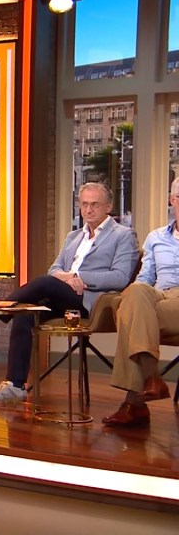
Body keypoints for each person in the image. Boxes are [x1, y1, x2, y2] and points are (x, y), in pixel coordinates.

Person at [0, 182, 139, 401]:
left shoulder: (123, 235)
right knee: (25, 314)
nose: (88, 210)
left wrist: (78, 277)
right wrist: (67, 278)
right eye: (84, 204)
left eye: (95, 205)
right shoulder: (73, 237)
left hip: (93, 304)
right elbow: (55, 270)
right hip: (63, 297)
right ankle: (15, 386)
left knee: (46, 283)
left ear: (108, 206)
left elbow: (120, 277)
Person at [102, 179, 179, 427]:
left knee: (130, 314)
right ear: (172, 200)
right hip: (159, 296)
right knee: (133, 294)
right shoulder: (156, 237)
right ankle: (151, 379)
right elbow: (145, 278)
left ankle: (135, 402)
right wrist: (134, 295)